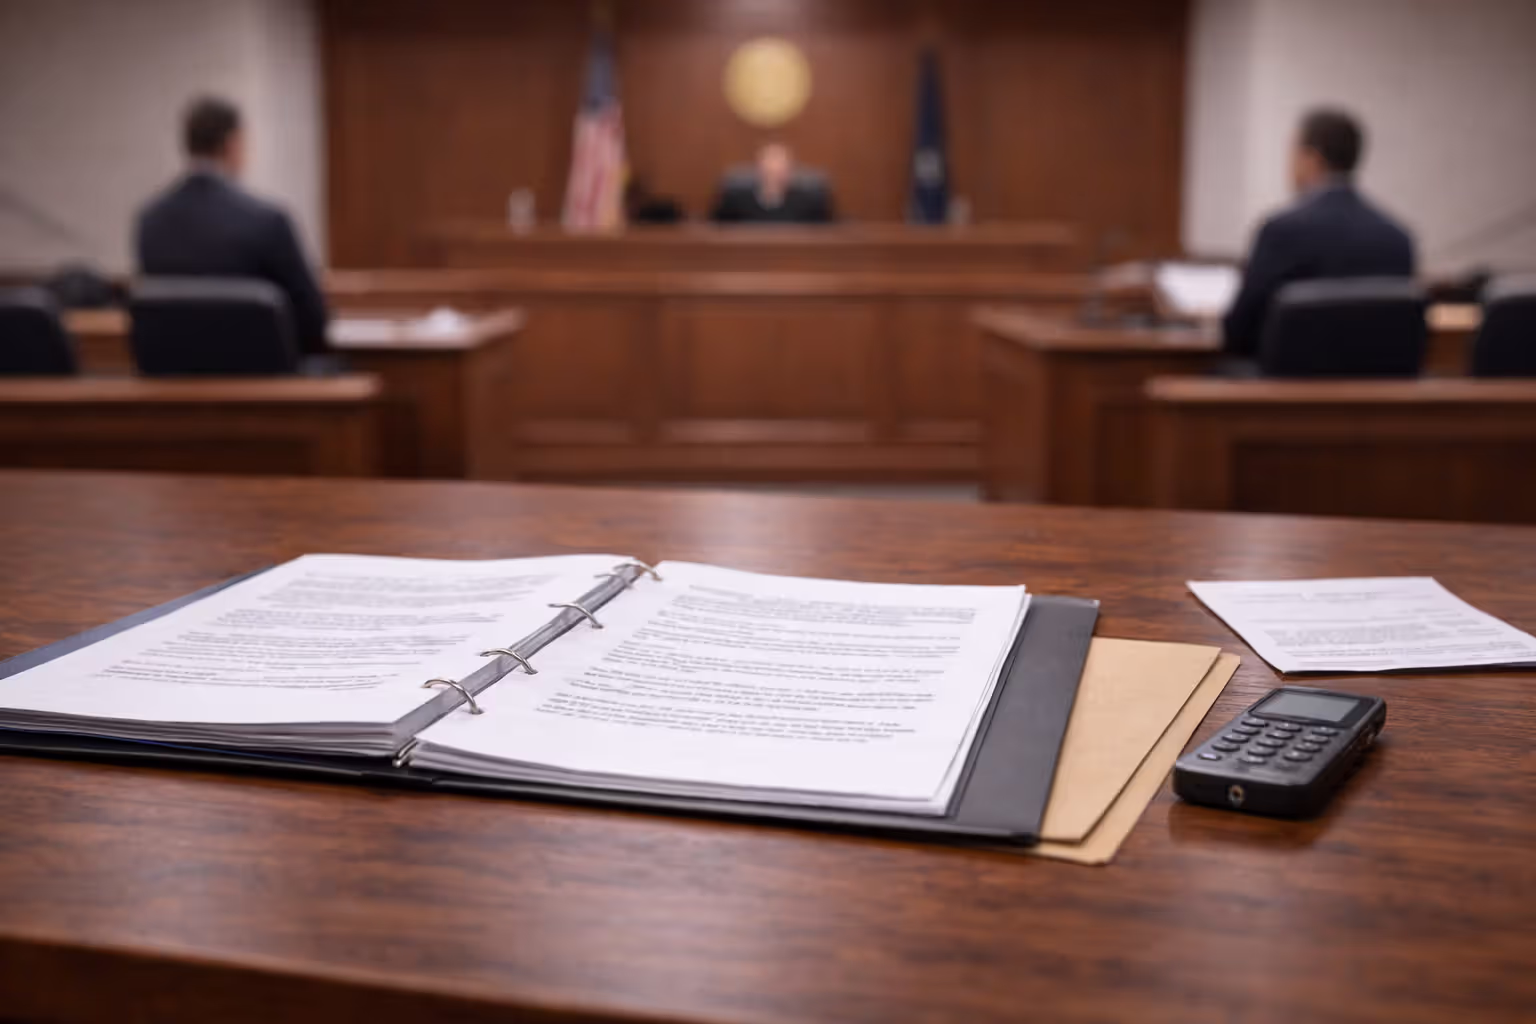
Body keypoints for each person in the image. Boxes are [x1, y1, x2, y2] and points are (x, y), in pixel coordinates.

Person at [135, 96, 329, 355]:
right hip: (264, 379)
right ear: (233, 142)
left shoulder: (150, 221)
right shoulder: (269, 220)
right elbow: (313, 320)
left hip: (178, 375)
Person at [1222, 108, 1415, 357]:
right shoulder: (1398, 239)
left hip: (1285, 387)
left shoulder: (1281, 231)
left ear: (1310, 158)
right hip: (1374, 388)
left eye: (1292, 154)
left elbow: (1238, 330)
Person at [710, 143, 835, 224]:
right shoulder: (736, 200)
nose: (773, 172)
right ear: (758, 168)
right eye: (768, 167)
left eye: (780, 168)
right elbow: (716, 228)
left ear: (790, 170)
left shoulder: (810, 202)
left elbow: (827, 232)